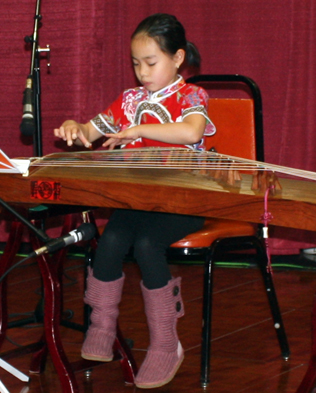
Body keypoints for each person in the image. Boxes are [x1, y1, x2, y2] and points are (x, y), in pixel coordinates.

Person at [54, 13, 215, 389]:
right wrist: (77, 129)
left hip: (185, 201)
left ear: (177, 59)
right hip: (138, 201)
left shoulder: (192, 95)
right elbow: (92, 130)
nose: (142, 72)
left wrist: (141, 128)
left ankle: (165, 343)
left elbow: (191, 130)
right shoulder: (130, 101)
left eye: (151, 62)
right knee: (110, 239)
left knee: (146, 245)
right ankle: (102, 324)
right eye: (135, 63)